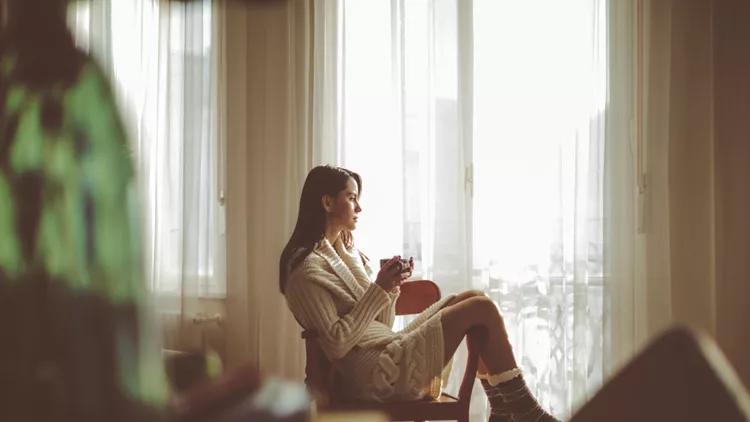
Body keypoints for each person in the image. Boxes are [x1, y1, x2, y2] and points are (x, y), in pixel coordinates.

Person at [280, 165, 559, 422]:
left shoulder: (350, 255)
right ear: (327, 203)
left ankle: (502, 411)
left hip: (386, 349)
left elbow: (381, 324)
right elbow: (337, 343)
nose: (359, 207)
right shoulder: (306, 270)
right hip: (374, 374)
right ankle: (523, 410)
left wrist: (390, 289)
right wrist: (378, 289)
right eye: (351, 198)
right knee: (480, 309)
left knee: (474, 297)